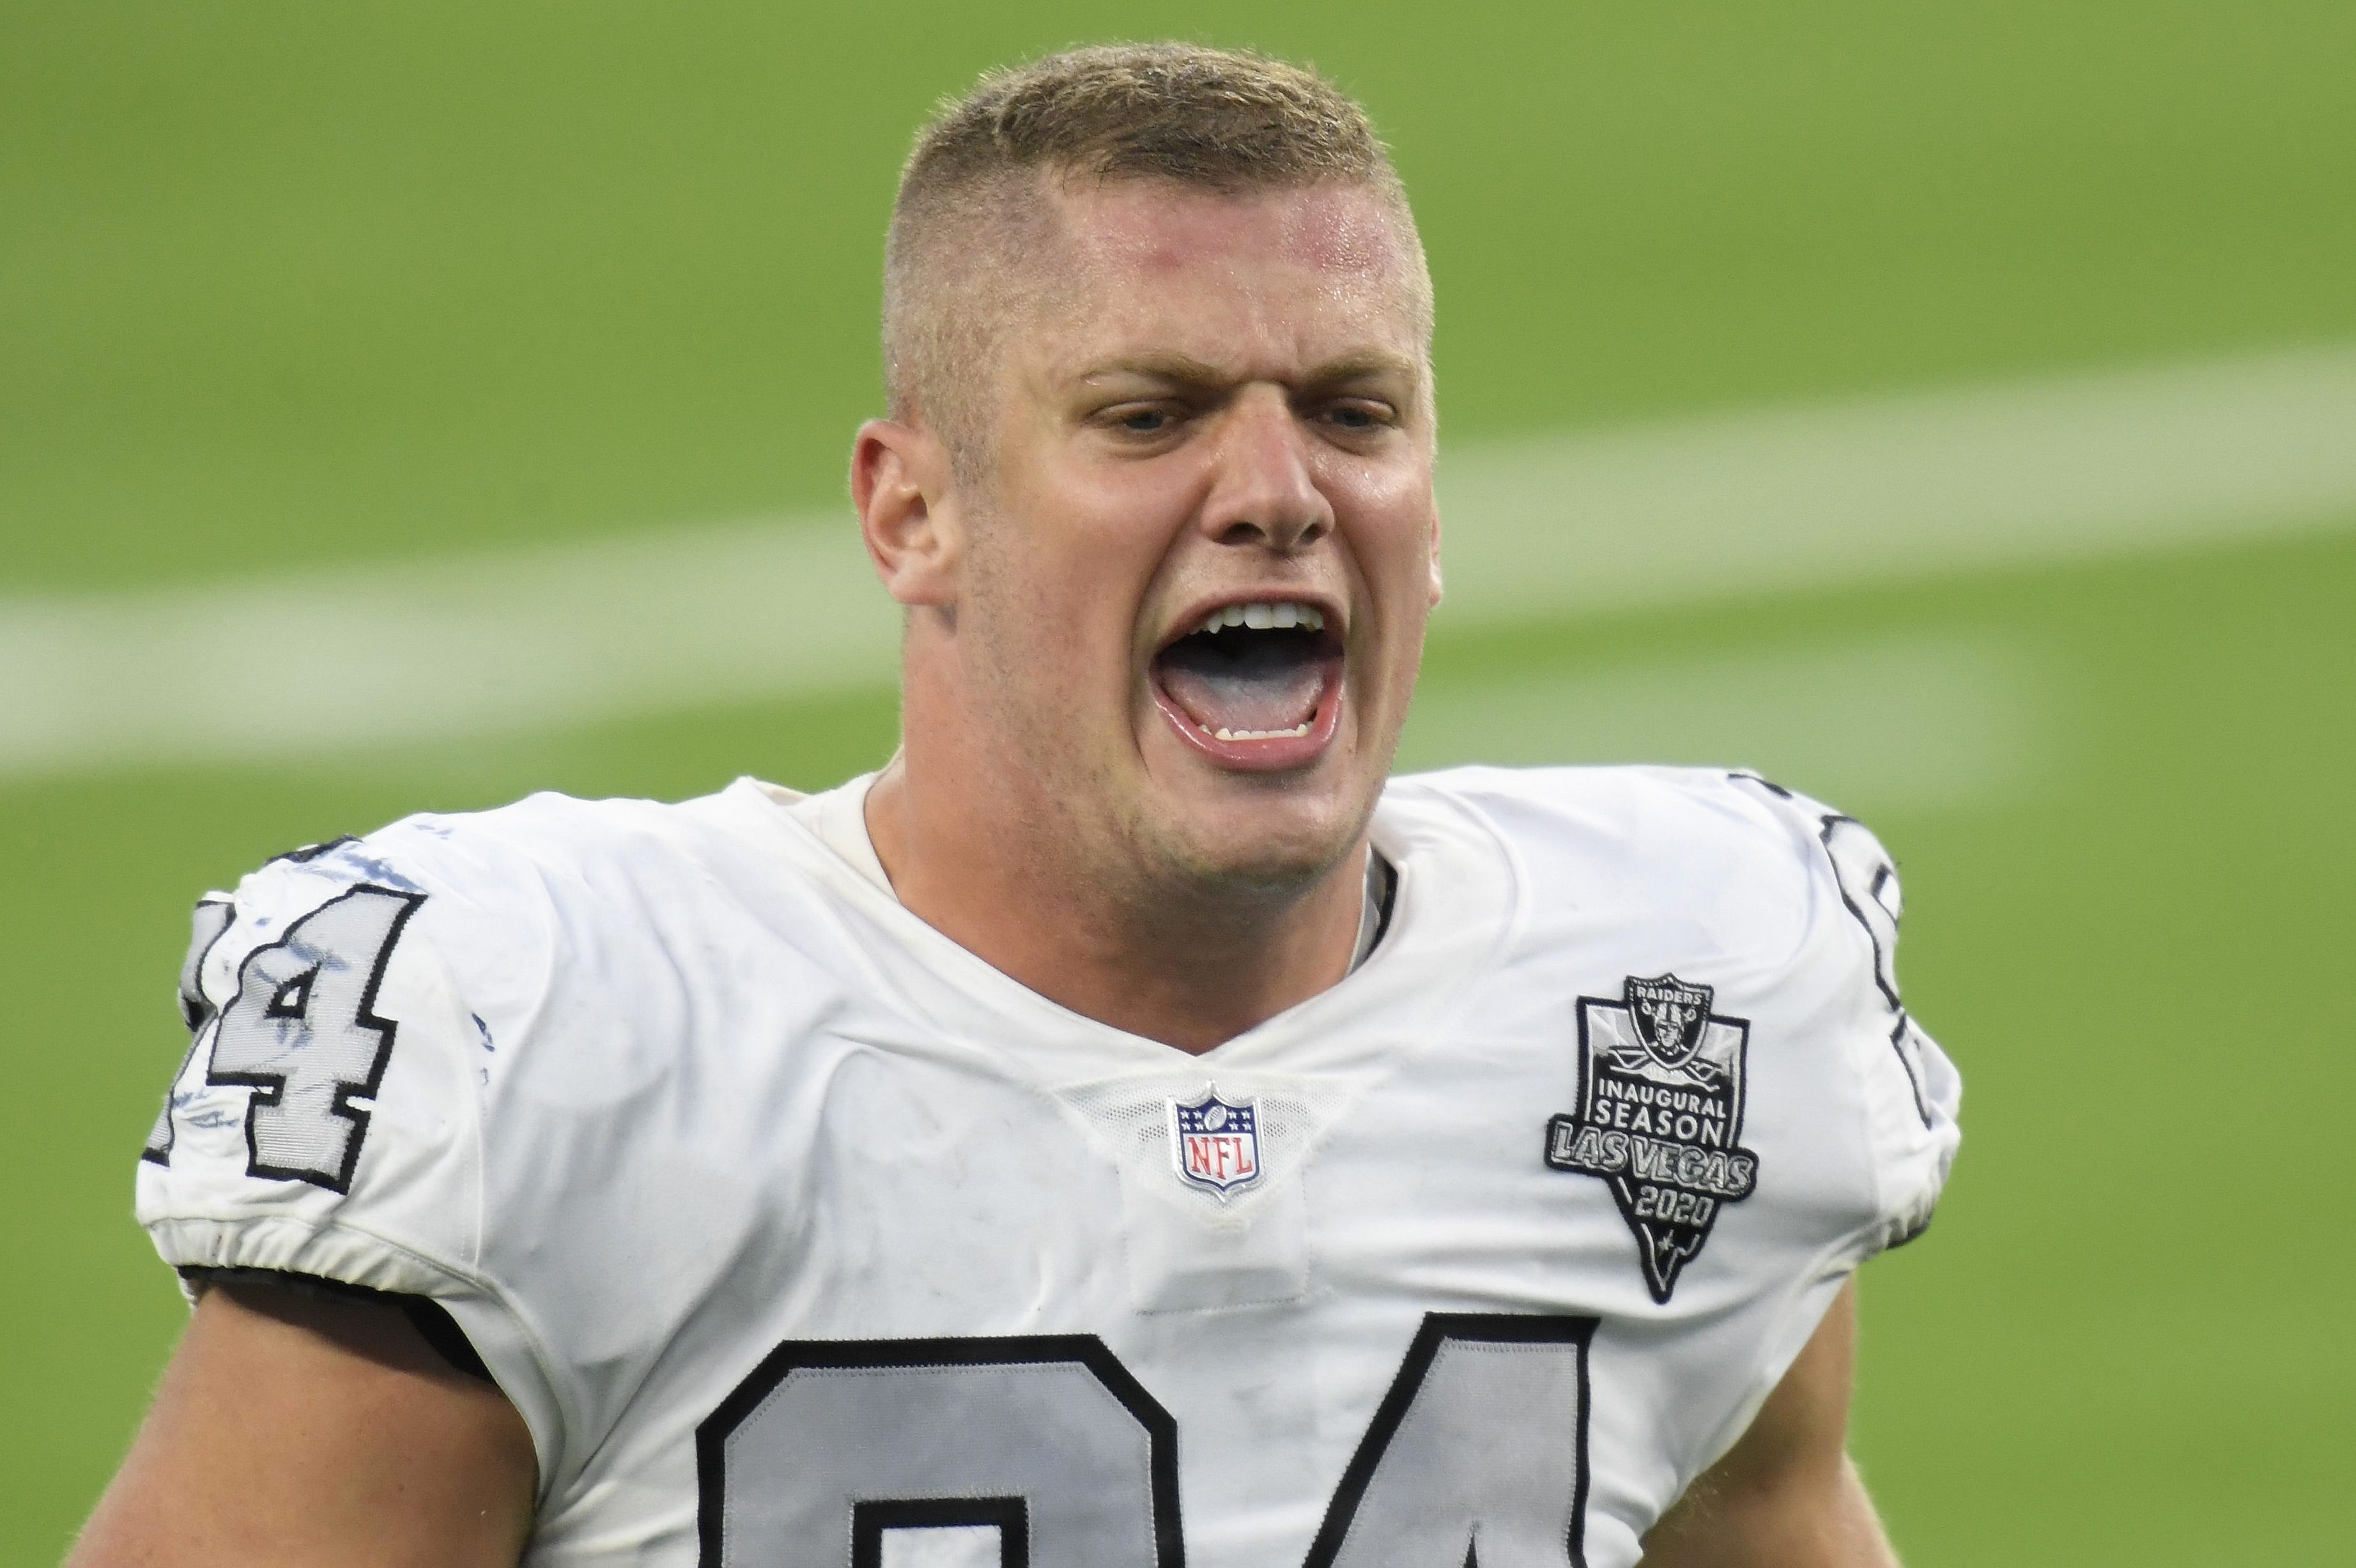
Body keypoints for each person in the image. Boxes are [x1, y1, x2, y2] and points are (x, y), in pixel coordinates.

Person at [72, 43, 1960, 1568]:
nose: (1279, 488)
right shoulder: (547, 1035)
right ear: (914, 511)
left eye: (1356, 412)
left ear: (1435, 500)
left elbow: (1766, 1516)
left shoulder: (1680, 997)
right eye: (1150, 415)